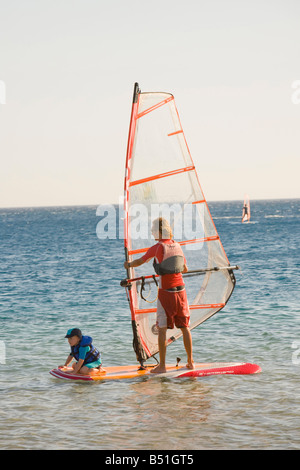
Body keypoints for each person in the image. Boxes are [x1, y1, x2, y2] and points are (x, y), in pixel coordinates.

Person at [124, 217, 194, 374]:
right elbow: (185, 269)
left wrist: (127, 264)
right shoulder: (177, 245)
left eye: (153, 229)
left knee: (162, 329)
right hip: (181, 291)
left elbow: (139, 262)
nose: (151, 232)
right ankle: (190, 362)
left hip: (166, 293)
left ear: (159, 231)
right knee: (184, 327)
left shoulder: (157, 247)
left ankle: (162, 366)